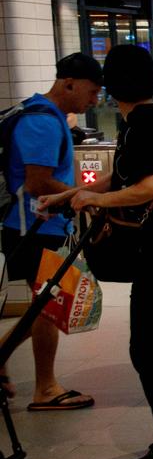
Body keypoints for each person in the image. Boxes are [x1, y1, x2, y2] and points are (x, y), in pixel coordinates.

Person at [41, 44, 153, 459]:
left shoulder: (144, 123)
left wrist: (97, 199)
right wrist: (71, 194)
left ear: (115, 86)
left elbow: (150, 186)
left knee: (148, 349)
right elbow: (131, 172)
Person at [0, 53, 101, 412]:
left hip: (42, 224)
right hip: (35, 227)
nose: (94, 101)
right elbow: (38, 181)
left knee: (45, 305)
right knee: (48, 306)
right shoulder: (42, 122)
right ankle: (45, 388)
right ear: (68, 83)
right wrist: (82, 197)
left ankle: (3, 359)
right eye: (91, 92)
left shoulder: (44, 114)